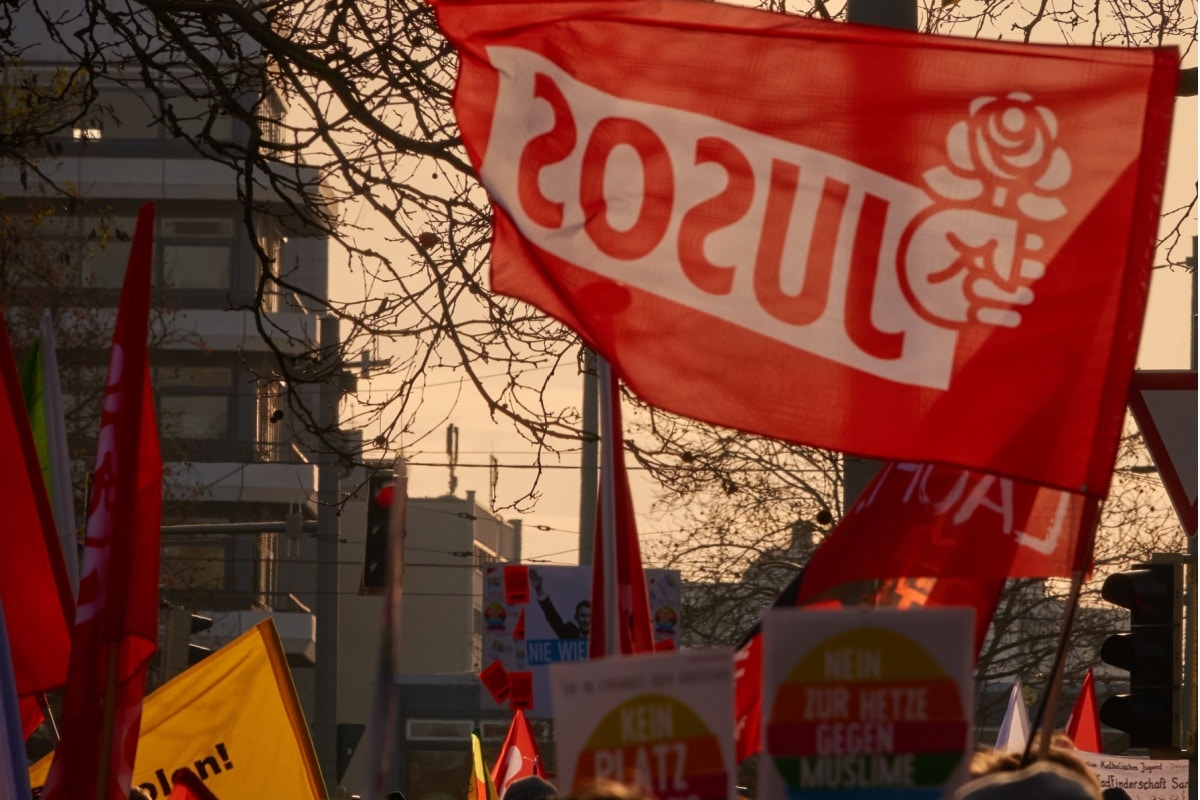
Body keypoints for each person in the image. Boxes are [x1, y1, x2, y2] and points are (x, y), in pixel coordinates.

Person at [530, 569, 590, 639]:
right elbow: (553, 617)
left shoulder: (600, 635)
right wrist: (539, 590)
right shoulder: (569, 633)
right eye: (582, 616)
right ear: (576, 618)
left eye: (590, 616)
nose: (586, 620)